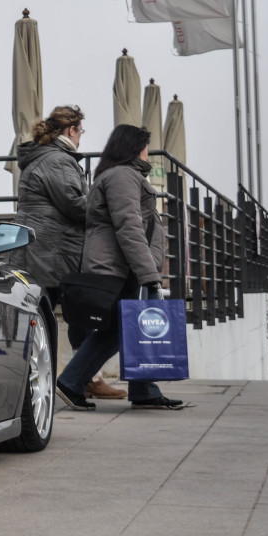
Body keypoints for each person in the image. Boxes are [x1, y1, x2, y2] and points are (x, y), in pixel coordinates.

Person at [56, 124, 185, 410]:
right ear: (134, 147)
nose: (148, 152)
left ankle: (141, 390)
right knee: (120, 329)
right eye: (145, 146)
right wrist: (148, 273)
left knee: (122, 328)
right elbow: (129, 226)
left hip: (125, 266)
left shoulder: (121, 175)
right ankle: (72, 382)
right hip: (122, 268)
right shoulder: (123, 176)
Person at [14, 105, 125, 399]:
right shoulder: (58, 161)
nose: (80, 138)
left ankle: (86, 378)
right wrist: (105, 205)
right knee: (51, 316)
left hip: (45, 247)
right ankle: (53, 382)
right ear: (71, 131)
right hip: (49, 250)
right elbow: (76, 205)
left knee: (78, 314)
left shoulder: (47, 158)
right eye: (80, 132)